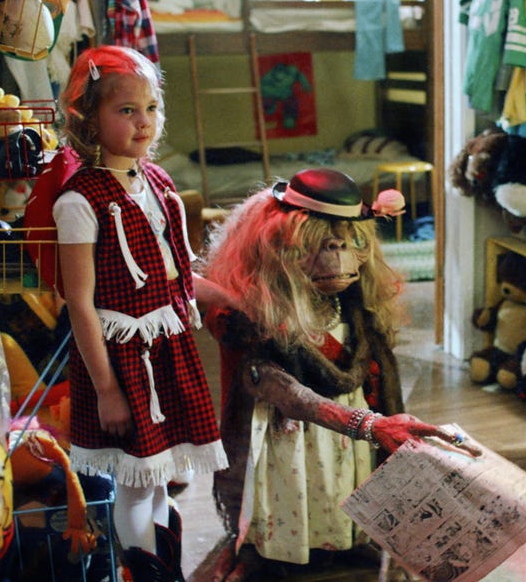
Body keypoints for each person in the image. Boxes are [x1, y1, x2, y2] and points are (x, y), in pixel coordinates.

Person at [200, 168, 479, 579]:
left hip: (352, 435)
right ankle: (280, 550)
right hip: (291, 437)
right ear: (280, 247)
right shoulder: (255, 323)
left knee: (344, 484)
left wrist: (375, 424)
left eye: (347, 244)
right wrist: (370, 425)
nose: (336, 258)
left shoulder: (355, 309)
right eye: (317, 246)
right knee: (296, 491)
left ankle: (345, 540)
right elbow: (285, 392)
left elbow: (375, 374)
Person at [53, 45, 229, 580]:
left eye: (150, 108)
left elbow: (174, 274)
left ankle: (162, 568)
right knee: (134, 482)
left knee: (159, 478)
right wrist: (107, 389)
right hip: (122, 359)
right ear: (89, 119)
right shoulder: (79, 201)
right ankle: (143, 573)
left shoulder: (159, 186)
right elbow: (79, 303)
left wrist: (236, 298)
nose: (142, 123)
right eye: (125, 110)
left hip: (167, 350)